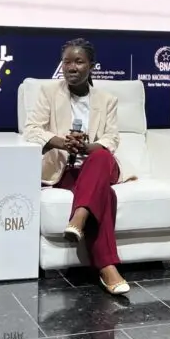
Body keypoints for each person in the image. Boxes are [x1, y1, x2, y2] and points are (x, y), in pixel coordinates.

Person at [24, 39, 130, 295]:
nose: (72, 67)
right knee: (106, 195)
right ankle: (107, 268)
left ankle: (79, 217)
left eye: (79, 62)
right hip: (66, 169)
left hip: (98, 164)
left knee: (101, 156)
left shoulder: (107, 99)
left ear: (91, 66)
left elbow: (112, 139)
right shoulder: (49, 93)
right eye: (67, 62)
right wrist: (62, 142)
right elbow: (31, 130)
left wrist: (87, 147)